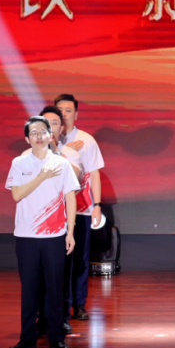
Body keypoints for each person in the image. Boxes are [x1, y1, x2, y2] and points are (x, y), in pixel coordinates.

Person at [5, 116, 79, 348]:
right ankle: (27, 339)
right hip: (26, 236)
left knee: (56, 289)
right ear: (27, 139)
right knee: (29, 290)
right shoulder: (19, 163)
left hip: (55, 236)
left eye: (42, 131)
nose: (38, 136)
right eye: (33, 133)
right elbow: (17, 195)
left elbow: (70, 198)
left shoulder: (62, 164)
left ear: (50, 135)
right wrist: (41, 176)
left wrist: (70, 232)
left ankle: (57, 338)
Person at [27, 105, 84, 335]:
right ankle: (40, 317)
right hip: (33, 228)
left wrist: (55, 152)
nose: (49, 129)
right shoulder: (26, 157)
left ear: (61, 129)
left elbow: (75, 178)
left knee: (61, 275)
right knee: (37, 276)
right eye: (45, 124)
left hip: (60, 225)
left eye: (55, 124)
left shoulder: (70, 154)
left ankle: (61, 317)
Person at [54, 94, 105, 323]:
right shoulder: (49, 140)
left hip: (82, 209)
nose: (64, 114)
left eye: (68, 110)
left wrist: (97, 205)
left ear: (76, 113)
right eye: (60, 110)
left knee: (81, 259)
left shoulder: (86, 140)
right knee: (61, 261)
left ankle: (79, 304)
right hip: (55, 211)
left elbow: (94, 174)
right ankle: (61, 307)